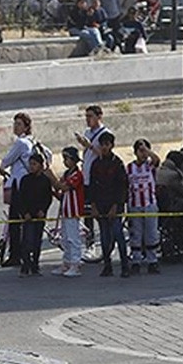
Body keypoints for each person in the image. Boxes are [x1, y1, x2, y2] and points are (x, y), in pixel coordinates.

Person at [88, 131, 130, 277]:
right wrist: (93, 205)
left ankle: (125, 265)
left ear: (112, 145)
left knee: (118, 235)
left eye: (107, 144)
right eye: (102, 145)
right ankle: (107, 265)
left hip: (114, 205)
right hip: (101, 205)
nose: (104, 147)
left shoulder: (117, 163)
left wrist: (116, 206)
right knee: (105, 237)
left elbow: (122, 186)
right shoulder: (96, 164)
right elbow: (92, 186)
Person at [0, 112, 35, 267]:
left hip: (19, 186)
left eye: (19, 124)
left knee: (15, 222)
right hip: (27, 186)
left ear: (26, 127)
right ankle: (26, 252)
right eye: (15, 123)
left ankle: (16, 255)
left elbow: (7, 160)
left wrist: (0, 167)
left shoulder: (21, 143)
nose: (15, 126)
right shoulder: (31, 142)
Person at [75, 104, 111, 242]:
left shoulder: (105, 133)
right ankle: (90, 241)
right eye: (86, 116)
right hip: (86, 177)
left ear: (99, 117)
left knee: (99, 211)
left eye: (90, 116)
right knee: (87, 212)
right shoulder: (87, 132)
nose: (87, 119)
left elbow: (104, 154)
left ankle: (105, 240)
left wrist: (89, 146)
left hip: (98, 178)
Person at [126, 139, 161, 274]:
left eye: (145, 151)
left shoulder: (150, 166)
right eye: (140, 151)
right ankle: (136, 261)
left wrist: (147, 151)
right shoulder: (129, 168)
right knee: (136, 234)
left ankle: (152, 261)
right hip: (135, 205)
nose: (143, 154)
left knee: (151, 233)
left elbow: (157, 160)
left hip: (149, 204)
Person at [16, 153, 54, 277]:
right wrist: (24, 212)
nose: (31, 167)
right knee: (27, 240)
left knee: (37, 241)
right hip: (28, 215)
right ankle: (25, 266)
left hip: (39, 215)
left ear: (41, 165)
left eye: (34, 164)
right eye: (30, 164)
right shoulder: (25, 180)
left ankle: (35, 266)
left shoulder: (45, 181)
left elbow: (47, 198)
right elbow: (21, 198)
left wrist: (43, 210)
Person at [53, 147, 85, 277]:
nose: (65, 162)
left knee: (73, 237)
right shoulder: (66, 174)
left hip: (74, 210)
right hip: (65, 210)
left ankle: (75, 263)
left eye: (67, 159)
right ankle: (66, 261)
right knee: (65, 238)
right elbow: (59, 189)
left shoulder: (77, 175)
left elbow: (65, 187)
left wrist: (51, 177)